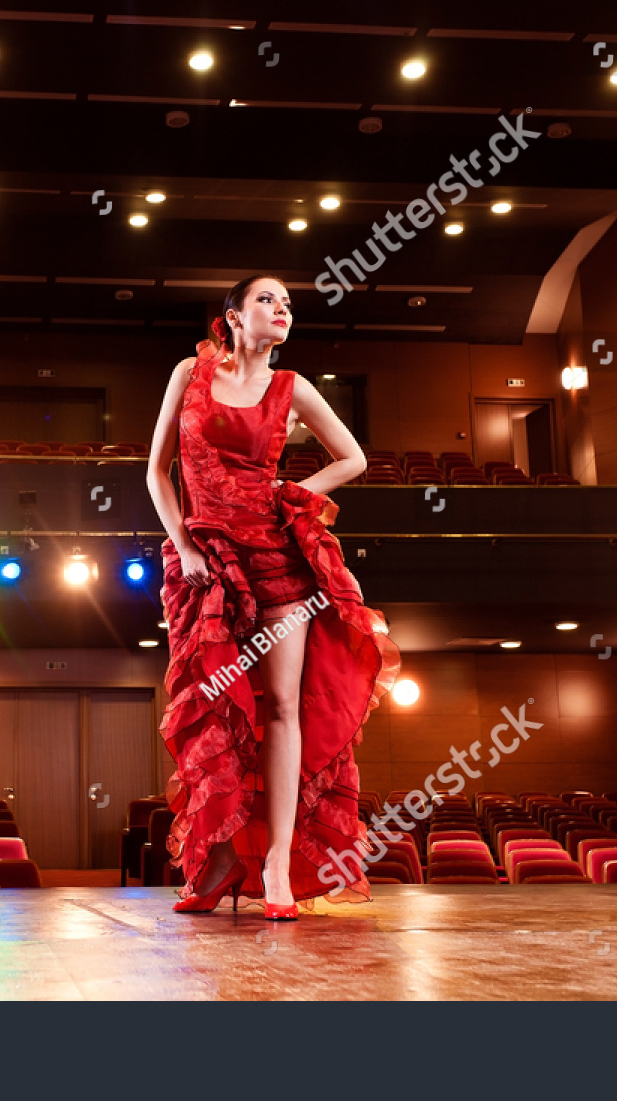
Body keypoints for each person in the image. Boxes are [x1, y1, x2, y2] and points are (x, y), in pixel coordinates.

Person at [145, 274, 401, 919]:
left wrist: (293, 493)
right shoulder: (190, 373)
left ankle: (281, 863)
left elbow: (354, 459)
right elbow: (156, 471)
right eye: (267, 299)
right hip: (205, 564)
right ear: (232, 315)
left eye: (288, 303)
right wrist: (188, 546)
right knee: (212, 705)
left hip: (279, 559)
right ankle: (222, 856)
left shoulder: (295, 389)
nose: (282, 308)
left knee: (284, 706)